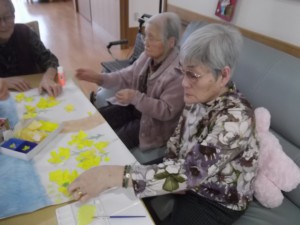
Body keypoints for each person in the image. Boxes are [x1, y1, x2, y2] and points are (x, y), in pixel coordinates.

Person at [69, 23, 259, 225]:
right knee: (120, 192)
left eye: (193, 75)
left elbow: (191, 173)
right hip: (186, 172)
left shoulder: (237, 119)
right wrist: (169, 168)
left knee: (125, 181)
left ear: (224, 75)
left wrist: (113, 175)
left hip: (216, 197)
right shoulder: (198, 95)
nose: (184, 83)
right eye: (183, 72)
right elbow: (177, 140)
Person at [75, 12, 184, 151]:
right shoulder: (147, 56)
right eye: (146, 35)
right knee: (97, 121)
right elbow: (127, 75)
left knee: (112, 145)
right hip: (134, 108)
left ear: (171, 42)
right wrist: (99, 78)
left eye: (152, 38)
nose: (145, 42)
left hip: (153, 124)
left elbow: (166, 110)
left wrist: (135, 97)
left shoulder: (178, 73)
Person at [0, 0, 62, 97]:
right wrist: (3, 81)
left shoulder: (25, 33)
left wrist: (48, 78)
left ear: (13, 16)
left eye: (7, 17)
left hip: (32, 92)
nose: (3, 25)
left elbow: (51, 60)